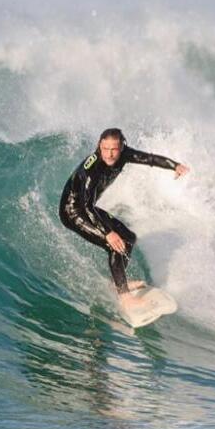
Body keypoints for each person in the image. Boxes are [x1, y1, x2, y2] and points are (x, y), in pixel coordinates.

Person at [59, 128, 189, 304]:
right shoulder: (92, 168)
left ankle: (117, 284)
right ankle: (125, 296)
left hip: (89, 209)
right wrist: (108, 233)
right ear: (99, 146)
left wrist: (175, 165)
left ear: (121, 147)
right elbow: (86, 206)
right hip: (73, 212)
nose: (109, 154)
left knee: (129, 238)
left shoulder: (124, 154)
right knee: (114, 244)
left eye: (114, 149)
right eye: (105, 149)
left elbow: (149, 159)